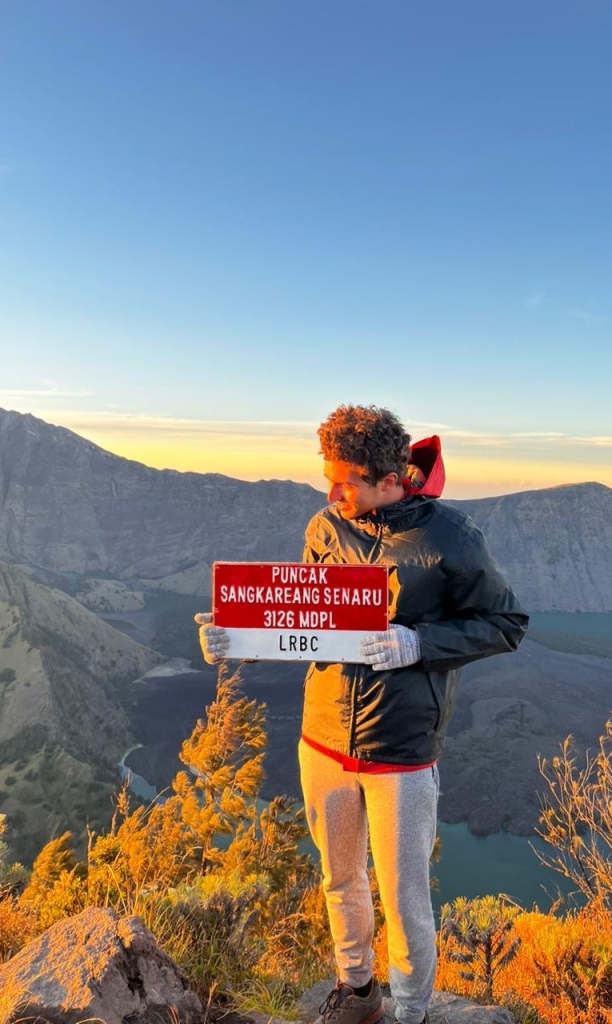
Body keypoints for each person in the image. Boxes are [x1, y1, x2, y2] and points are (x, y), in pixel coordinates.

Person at [197, 405, 528, 1024]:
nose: (331, 492)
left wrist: (420, 645)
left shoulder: (451, 537)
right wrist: (234, 638)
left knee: (405, 898)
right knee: (339, 880)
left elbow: (506, 624)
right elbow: (304, 620)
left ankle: (411, 1012)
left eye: (344, 480)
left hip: (400, 749)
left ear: (388, 478)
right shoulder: (327, 525)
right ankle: (358, 995)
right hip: (321, 738)